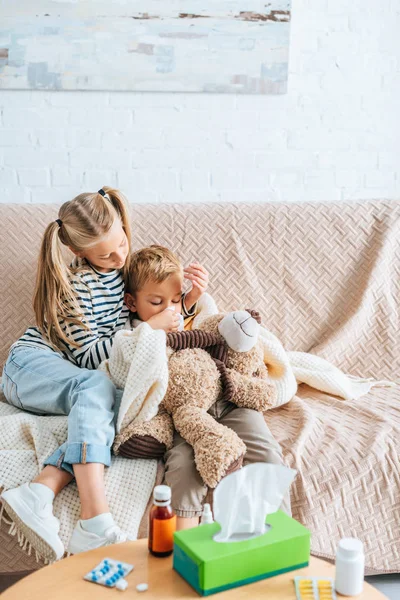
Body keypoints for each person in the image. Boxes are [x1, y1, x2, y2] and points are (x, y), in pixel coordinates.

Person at [1, 187, 133, 560]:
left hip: (65, 382)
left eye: (121, 242)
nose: (120, 256)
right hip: (27, 367)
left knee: (115, 406)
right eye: (106, 254)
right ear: (78, 252)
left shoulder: (125, 274)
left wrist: (184, 301)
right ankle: (95, 520)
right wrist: (148, 329)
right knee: (98, 384)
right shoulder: (73, 288)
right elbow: (91, 359)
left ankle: (40, 490)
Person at [124, 245, 290, 531]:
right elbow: (133, 371)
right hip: (184, 415)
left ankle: (275, 534)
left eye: (175, 300)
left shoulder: (194, 310)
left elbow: (222, 331)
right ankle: (183, 547)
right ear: (131, 302)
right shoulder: (134, 333)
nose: (169, 310)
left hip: (226, 398)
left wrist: (193, 297)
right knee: (184, 469)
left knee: (267, 452)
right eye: (156, 302)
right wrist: (153, 330)